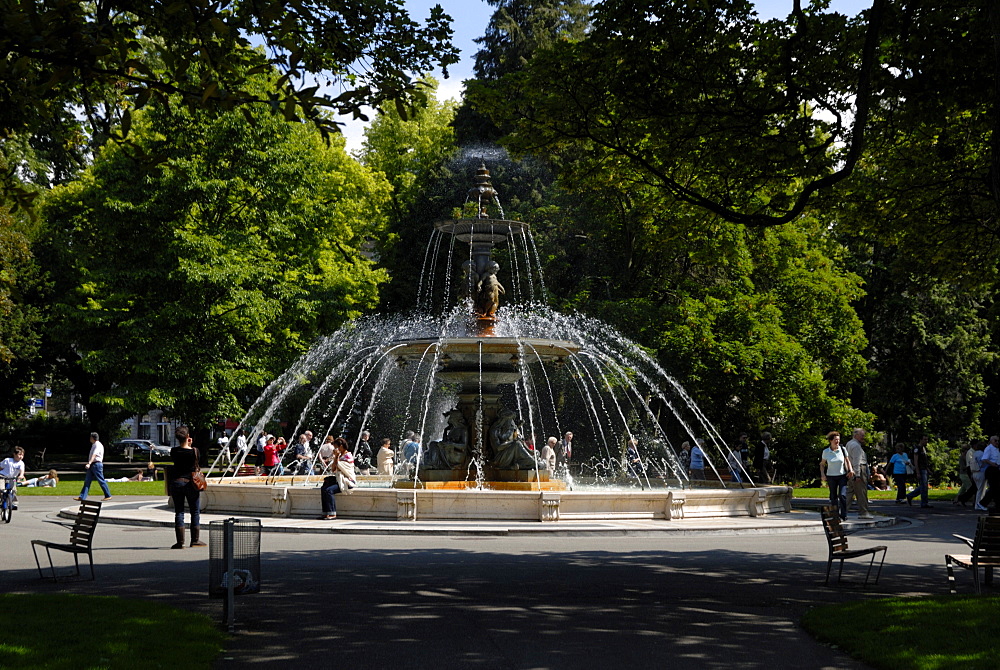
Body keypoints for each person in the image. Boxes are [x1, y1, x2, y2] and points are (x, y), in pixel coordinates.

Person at [168, 426, 207, 548]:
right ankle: (195, 540)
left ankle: (180, 542)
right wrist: (190, 445)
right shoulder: (194, 451)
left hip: (177, 483)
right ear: (188, 437)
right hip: (191, 483)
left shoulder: (174, 451)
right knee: (194, 511)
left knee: (179, 511)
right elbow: (197, 462)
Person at [319, 437, 356, 520]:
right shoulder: (339, 456)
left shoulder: (348, 456)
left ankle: (332, 513)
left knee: (329, 490)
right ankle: (326, 513)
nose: (335, 449)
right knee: (323, 488)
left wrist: (336, 458)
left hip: (347, 481)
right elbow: (333, 469)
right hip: (339, 480)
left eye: (336, 447)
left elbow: (340, 467)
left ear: (341, 446)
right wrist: (336, 457)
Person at [820, 431, 853, 521]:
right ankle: (835, 514)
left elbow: (847, 460)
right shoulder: (826, 452)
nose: (837, 441)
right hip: (831, 476)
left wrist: (850, 470)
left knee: (842, 495)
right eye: (835, 440)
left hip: (842, 475)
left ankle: (844, 514)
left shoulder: (842, 449)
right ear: (831, 441)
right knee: (833, 496)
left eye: (838, 439)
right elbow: (822, 464)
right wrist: (822, 474)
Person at [844, 428, 873, 519]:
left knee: (850, 492)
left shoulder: (849, 443)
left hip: (851, 470)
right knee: (861, 492)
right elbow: (857, 461)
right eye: (862, 435)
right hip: (859, 469)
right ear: (856, 435)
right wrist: (857, 475)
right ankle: (863, 512)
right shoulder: (856, 446)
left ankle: (842, 511)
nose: (863, 437)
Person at [75, 432, 112, 502]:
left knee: (101, 480)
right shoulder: (94, 444)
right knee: (87, 481)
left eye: (90, 437)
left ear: (92, 438)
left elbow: (94, 455)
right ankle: (82, 497)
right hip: (93, 464)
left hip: (96, 464)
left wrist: (89, 463)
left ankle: (108, 495)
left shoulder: (97, 445)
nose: (90, 439)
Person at [907, 435, 932, 508]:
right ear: (920, 440)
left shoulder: (923, 449)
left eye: (927, 439)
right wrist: (917, 472)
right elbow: (916, 460)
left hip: (924, 469)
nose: (926, 441)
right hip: (920, 469)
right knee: (924, 486)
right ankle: (924, 503)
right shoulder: (917, 449)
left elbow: (924, 461)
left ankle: (910, 495)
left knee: (923, 486)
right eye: (924, 439)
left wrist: (928, 469)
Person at [977, 434, 1000, 511]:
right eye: (995, 440)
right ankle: (982, 503)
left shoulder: (996, 449)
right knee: (994, 488)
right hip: (991, 469)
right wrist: (992, 463)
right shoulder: (989, 448)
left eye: (998, 441)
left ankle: (997, 505)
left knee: (997, 488)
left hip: (996, 469)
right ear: (991, 441)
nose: (997, 442)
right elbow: (984, 459)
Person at [969, 439, 987, 510]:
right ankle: (979, 504)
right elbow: (984, 463)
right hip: (980, 472)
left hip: (974, 472)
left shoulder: (975, 453)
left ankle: (977, 504)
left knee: (978, 489)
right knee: (981, 490)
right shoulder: (982, 454)